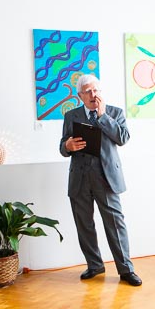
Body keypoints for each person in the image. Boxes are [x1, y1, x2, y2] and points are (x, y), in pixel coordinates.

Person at [59, 74, 142, 286]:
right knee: (84, 225)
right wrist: (67, 146)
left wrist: (103, 116)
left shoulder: (115, 112)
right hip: (79, 179)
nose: (93, 94)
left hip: (106, 179)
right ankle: (94, 265)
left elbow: (123, 138)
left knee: (115, 224)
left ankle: (126, 269)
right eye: (87, 91)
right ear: (80, 96)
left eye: (95, 90)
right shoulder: (71, 116)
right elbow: (62, 146)